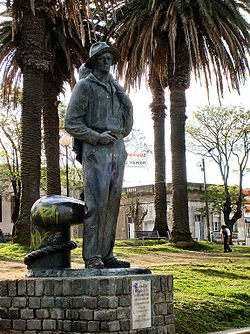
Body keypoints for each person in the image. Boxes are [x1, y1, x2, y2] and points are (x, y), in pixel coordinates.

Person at [65, 42, 133, 269]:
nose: (107, 61)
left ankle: (107, 254)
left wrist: (125, 99)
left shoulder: (115, 89)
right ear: (94, 61)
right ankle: (92, 255)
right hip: (97, 150)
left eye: (109, 58)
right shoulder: (85, 86)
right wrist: (96, 137)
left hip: (116, 148)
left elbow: (126, 126)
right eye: (102, 57)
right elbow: (72, 122)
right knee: (96, 204)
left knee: (113, 204)